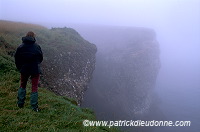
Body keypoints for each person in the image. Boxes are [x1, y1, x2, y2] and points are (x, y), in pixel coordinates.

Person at [14, 31, 43, 112]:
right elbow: (40, 58)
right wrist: (36, 64)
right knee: (34, 87)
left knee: (22, 85)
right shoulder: (37, 47)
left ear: (26, 36)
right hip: (34, 69)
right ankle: (34, 107)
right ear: (34, 37)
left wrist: (20, 68)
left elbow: (17, 59)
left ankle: (20, 104)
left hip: (24, 69)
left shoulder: (21, 47)